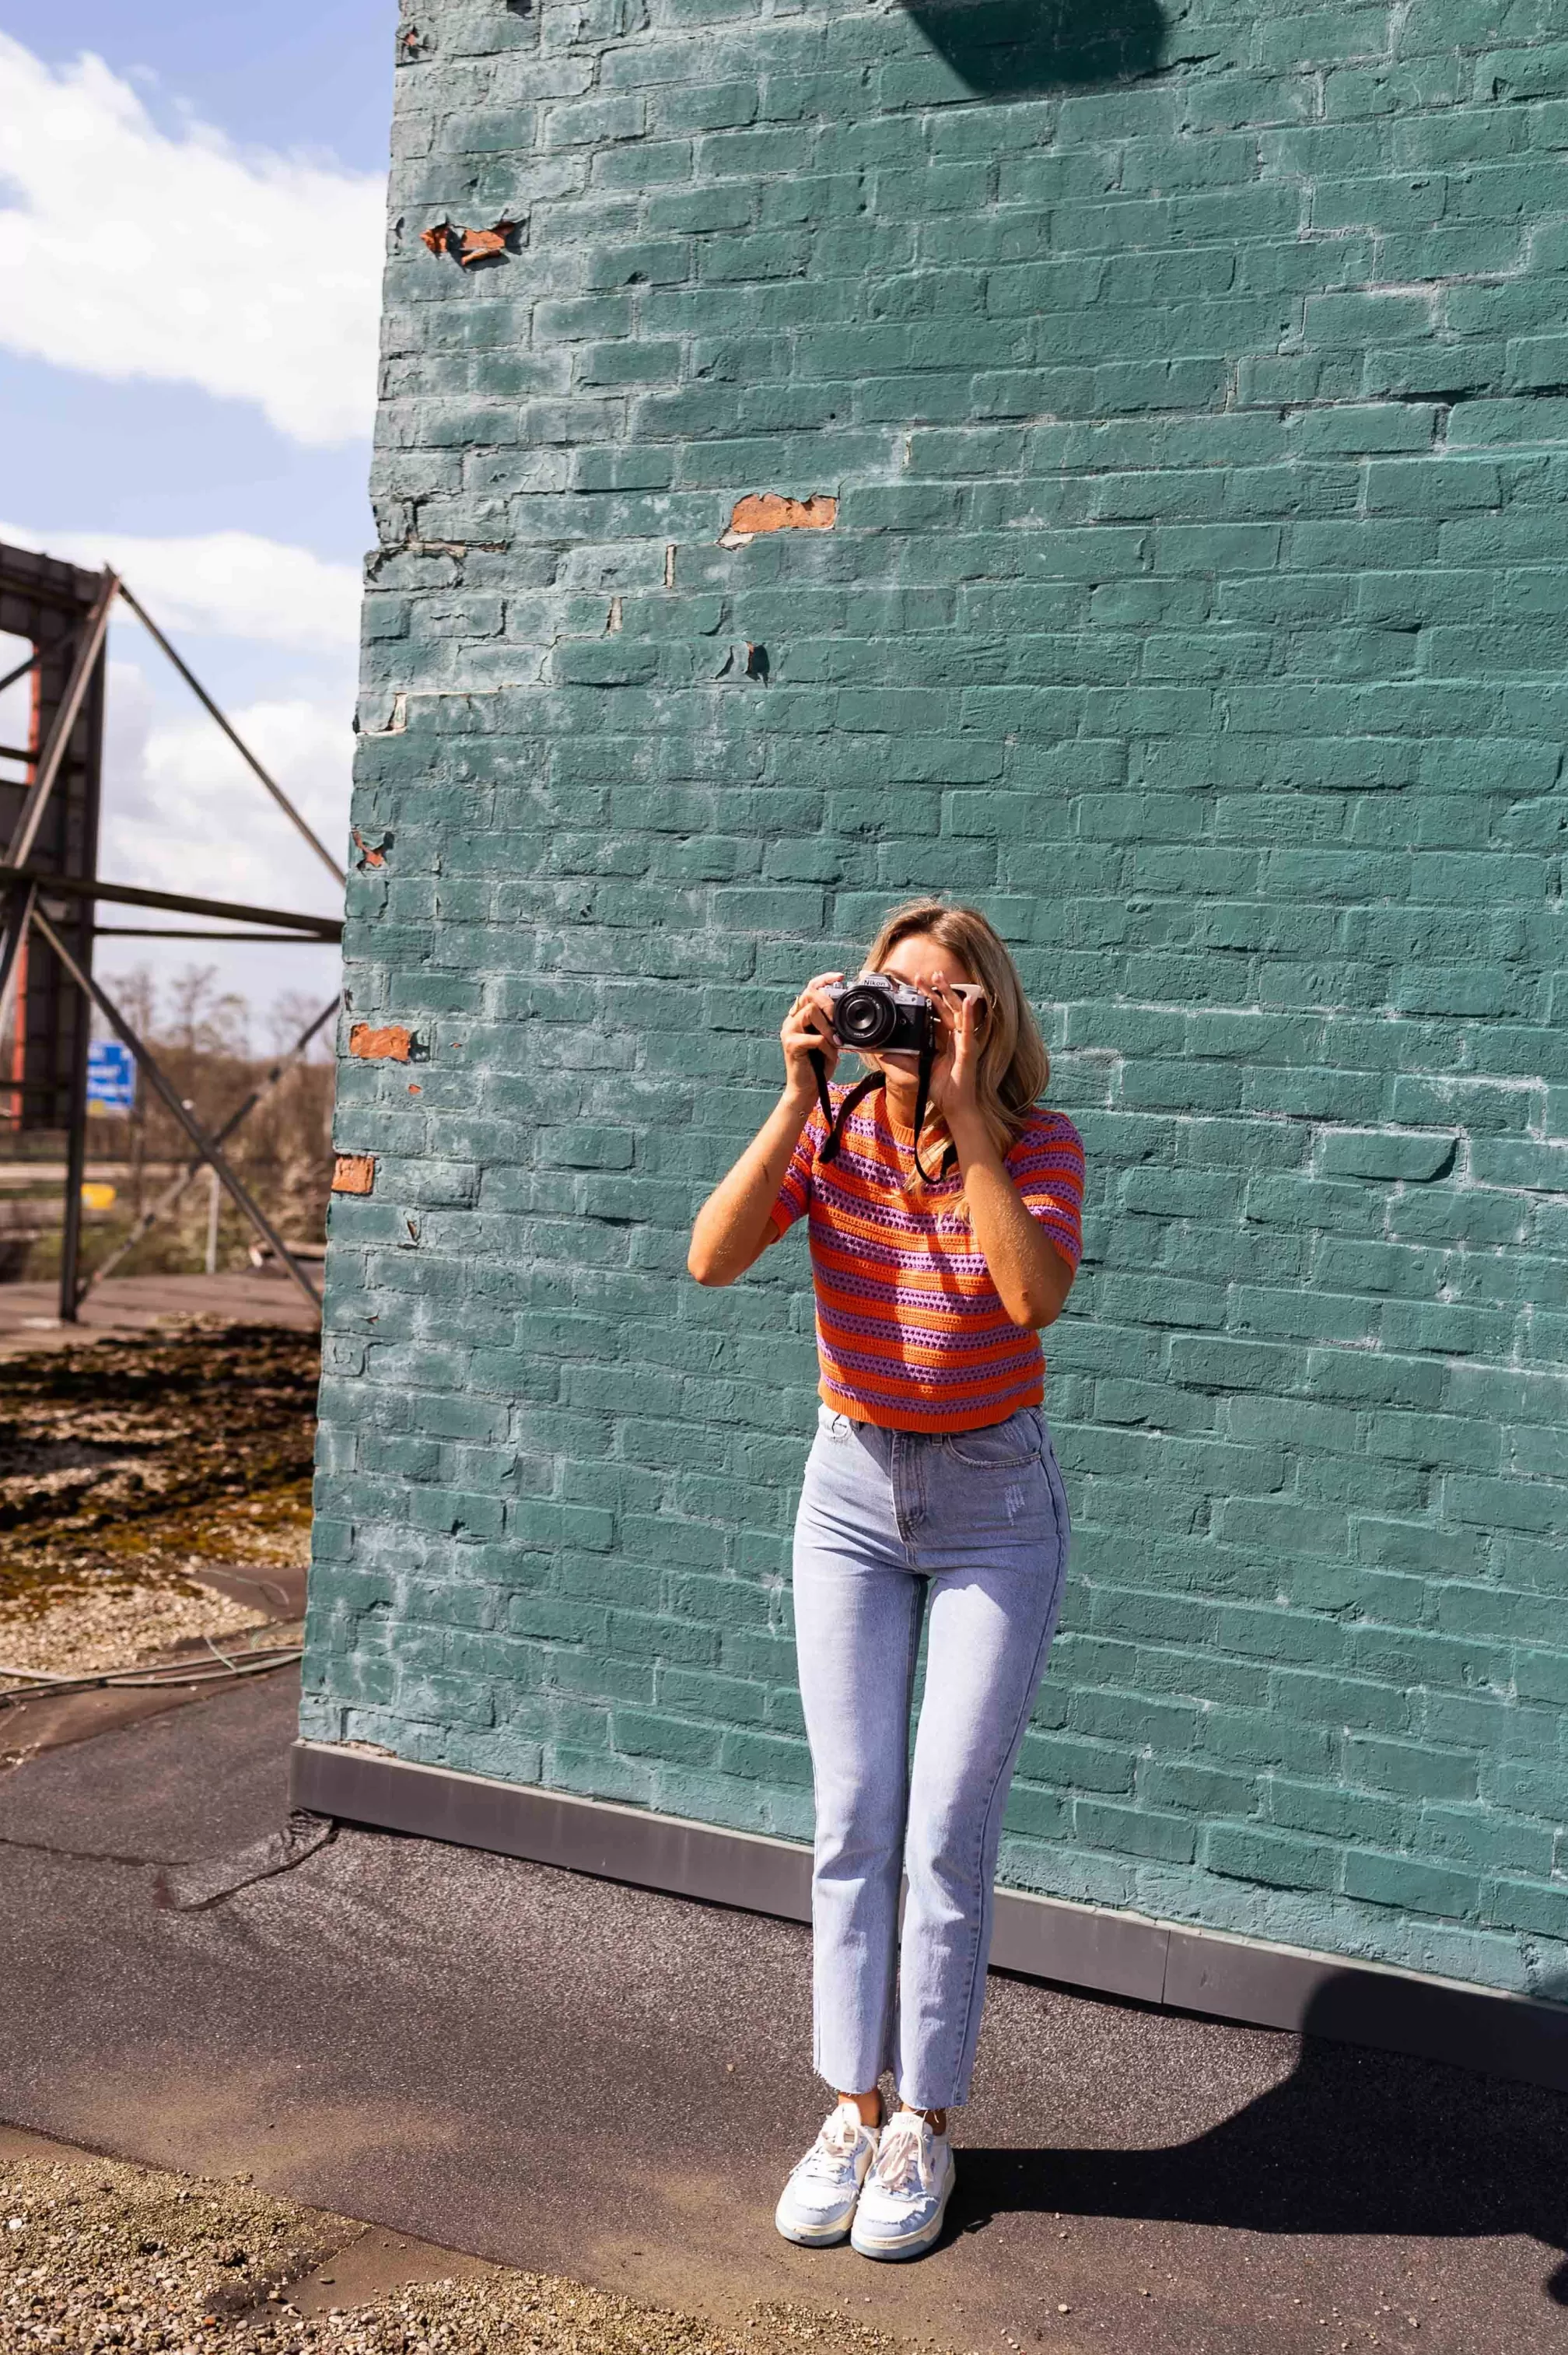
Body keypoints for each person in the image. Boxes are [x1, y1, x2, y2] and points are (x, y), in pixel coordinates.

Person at [688, 898, 1084, 2262]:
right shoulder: (837, 1127)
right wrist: (794, 1095)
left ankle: (924, 2117)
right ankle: (848, 2107)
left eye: (939, 1000)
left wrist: (969, 1112)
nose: (906, 1019)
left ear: (987, 1012)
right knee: (855, 1814)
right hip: (849, 1493)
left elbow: (1032, 1297)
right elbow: (712, 1255)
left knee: (943, 1829)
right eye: (888, 993)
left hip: (992, 1509)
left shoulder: (1039, 1143)